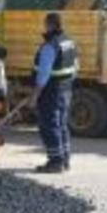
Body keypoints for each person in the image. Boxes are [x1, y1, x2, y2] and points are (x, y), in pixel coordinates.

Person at [29, 12, 78, 174]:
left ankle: (55, 162)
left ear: (49, 25)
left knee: (49, 126)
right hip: (65, 89)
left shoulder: (50, 46)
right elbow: (76, 67)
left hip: (51, 92)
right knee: (62, 125)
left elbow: (43, 74)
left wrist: (35, 95)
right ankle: (64, 160)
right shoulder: (69, 42)